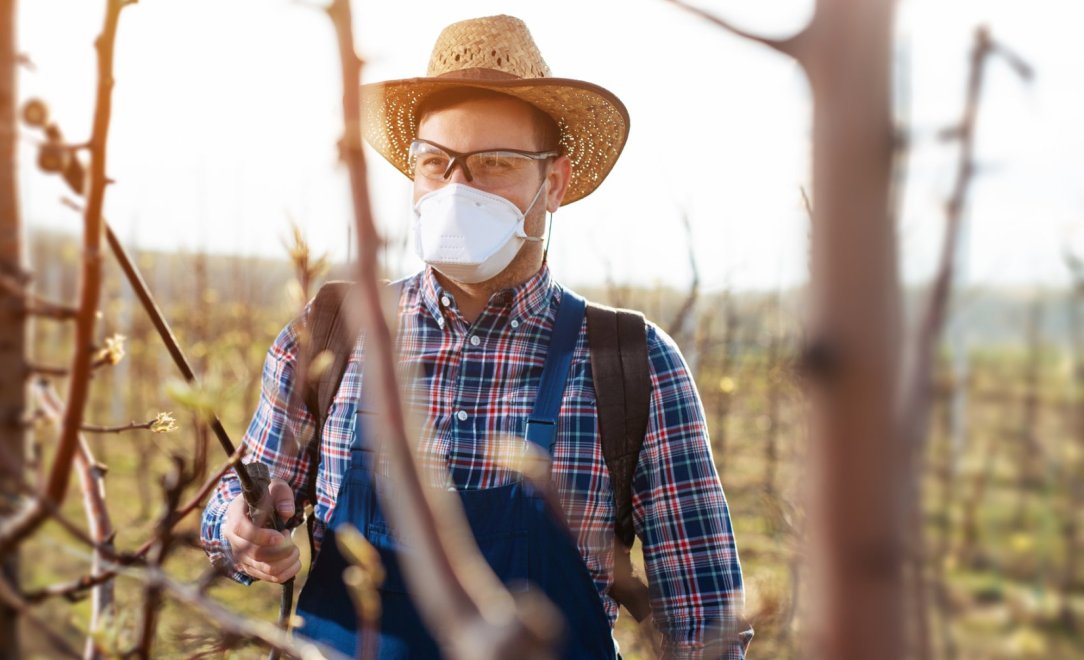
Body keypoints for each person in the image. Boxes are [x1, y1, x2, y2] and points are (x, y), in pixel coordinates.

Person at [201, 14, 751, 659]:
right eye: (436, 163)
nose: (458, 188)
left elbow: (703, 613)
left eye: (493, 164)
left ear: (555, 181)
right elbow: (236, 507)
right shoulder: (332, 335)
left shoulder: (631, 364)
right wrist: (239, 530)